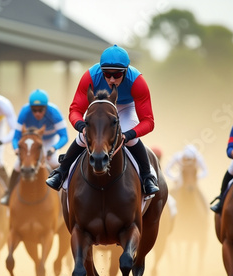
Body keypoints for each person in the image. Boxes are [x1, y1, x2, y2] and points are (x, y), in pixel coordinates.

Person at [46, 44, 159, 196]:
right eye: (107, 74)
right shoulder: (90, 77)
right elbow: (75, 110)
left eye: (117, 75)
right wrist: (82, 127)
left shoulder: (137, 82)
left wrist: (128, 135)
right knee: (83, 137)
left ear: (126, 71)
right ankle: (61, 172)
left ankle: (147, 177)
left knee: (130, 139)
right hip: (100, 107)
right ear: (101, 70)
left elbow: (148, 121)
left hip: (125, 107)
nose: (112, 79)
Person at [0, 89, 68, 205]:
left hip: (49, 141)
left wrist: (54, 148)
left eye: (40, 110)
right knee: (17, 165)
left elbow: (64, 136)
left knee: (54, 162)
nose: (37, 113)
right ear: (30, 108)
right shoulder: (24, 112)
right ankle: (9, 193)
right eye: (34, 110)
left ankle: (64, 195)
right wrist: (16, 148)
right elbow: (16, 137)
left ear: (46, 108)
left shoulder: (54, 113)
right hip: (31, 142)